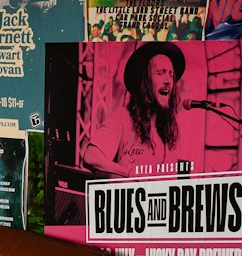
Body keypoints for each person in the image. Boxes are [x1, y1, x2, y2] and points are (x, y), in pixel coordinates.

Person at [82, 41, 193, 176]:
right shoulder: (121, 118)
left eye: (171, 74)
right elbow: (91, 157)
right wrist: (129, 174)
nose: (168, 80)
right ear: (144, 81)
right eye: (160, 72)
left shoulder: (169, 130)